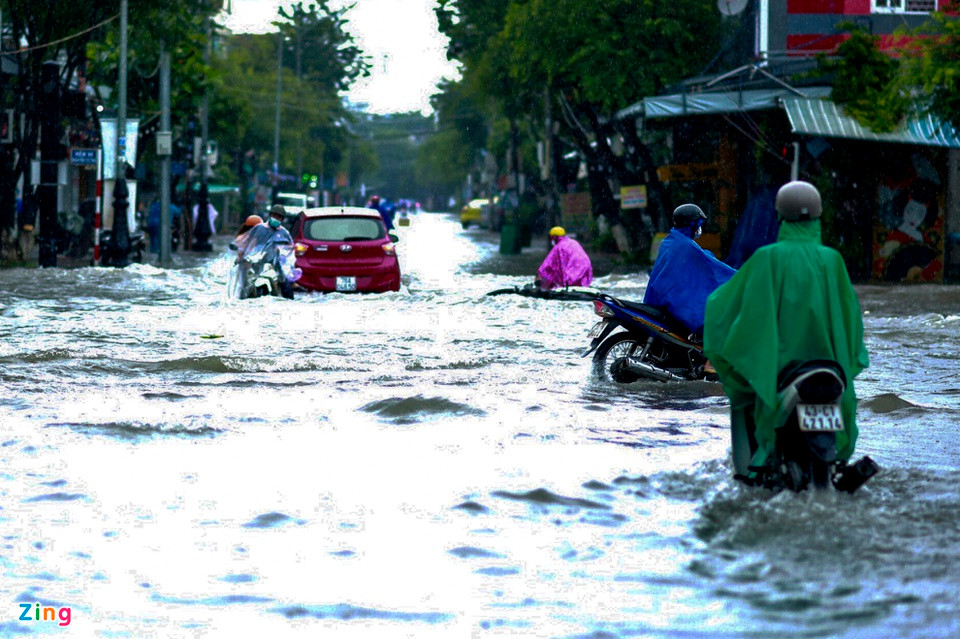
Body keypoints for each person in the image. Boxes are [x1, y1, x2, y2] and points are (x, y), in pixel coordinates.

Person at [703, 181, 869, 479]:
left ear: (779, 215)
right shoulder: (833, 260)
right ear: (818, 215)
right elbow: (851, 323)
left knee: (742, 398)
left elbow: (725, 307)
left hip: (781, 376)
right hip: (830, 374)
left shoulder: (767, 258)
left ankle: (749, 473)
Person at [643, 204, 736, 337]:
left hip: (659, 298)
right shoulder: (687, 245)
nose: (699, 229)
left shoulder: (670, 240)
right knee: (709, 316)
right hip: (671, 303)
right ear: (691, 224)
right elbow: (714, 267)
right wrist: (739, 277)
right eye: (698, 224)